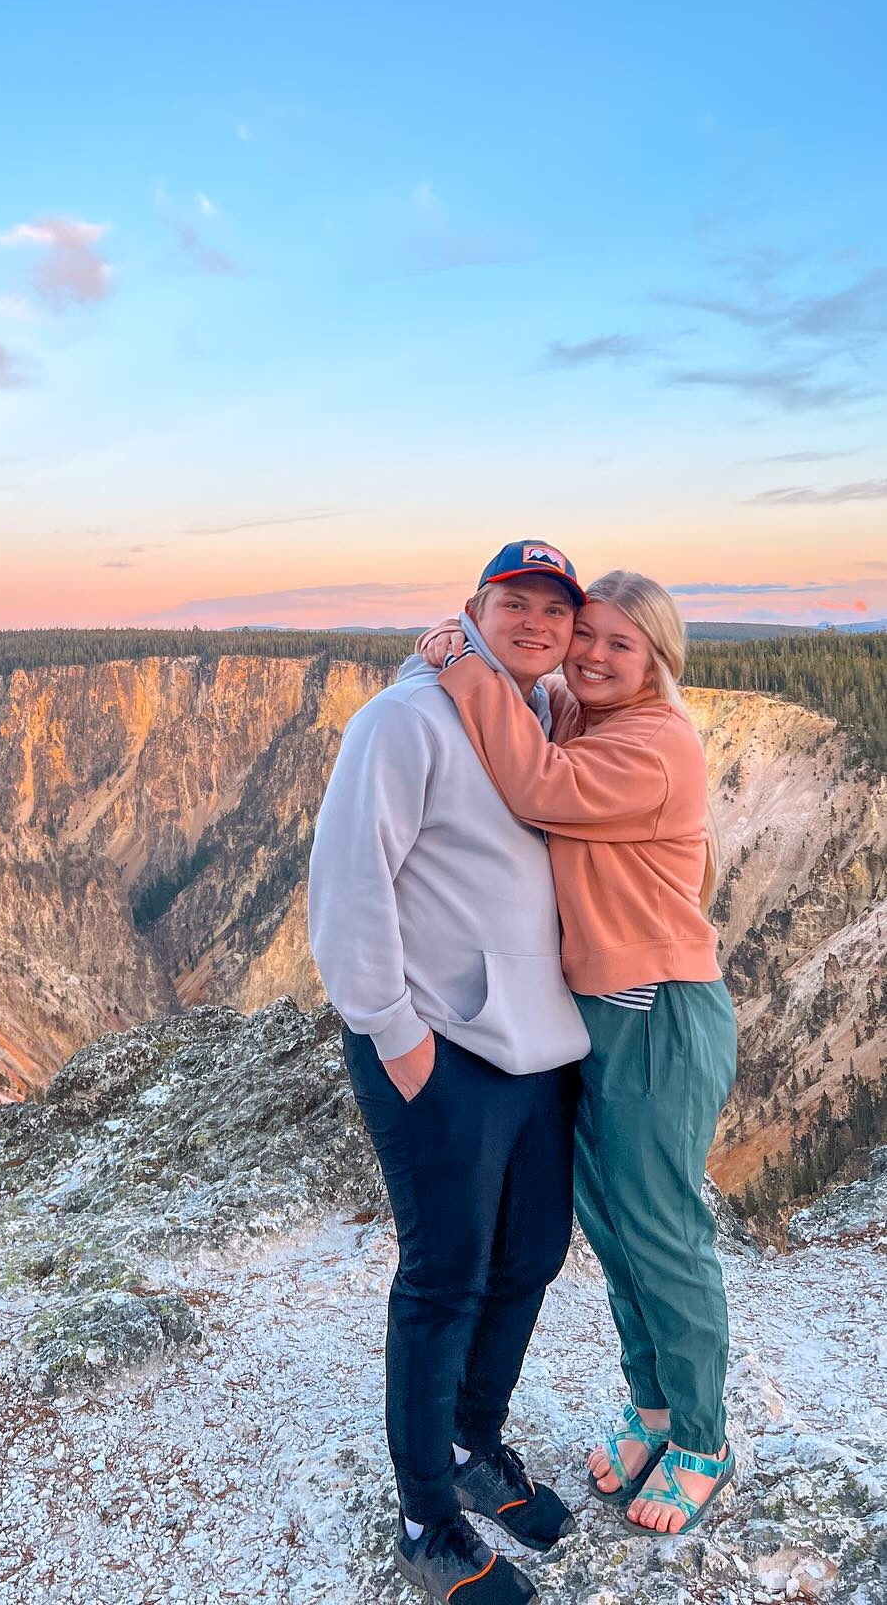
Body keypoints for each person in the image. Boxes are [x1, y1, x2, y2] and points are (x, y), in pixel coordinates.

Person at [421, 570, 737, 1537]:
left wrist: (466, 665)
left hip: (655, 1013)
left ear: (657, 660)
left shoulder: (655, 742)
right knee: (611, 1230)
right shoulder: (586, 712)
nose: (593, 656)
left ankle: (704, 1441)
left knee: (663, 1235)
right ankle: (653, 1413)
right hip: (595, 1014)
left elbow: (535, 783)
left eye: (620, 645)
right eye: (584, 634)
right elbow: (540, 696)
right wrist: (478, 638)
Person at [309, 539, 592, 1605]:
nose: (534, 620)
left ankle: (474, 1444)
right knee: (443, 1279)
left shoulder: (536, 712)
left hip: (538, 1050)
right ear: (474, 606)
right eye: (514, 601)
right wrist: (394, 1031)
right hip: (442, 1048)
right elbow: (348, 882)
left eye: (554, 610)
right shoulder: (403, 720)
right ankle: (426, 1513)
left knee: (531, 1254)